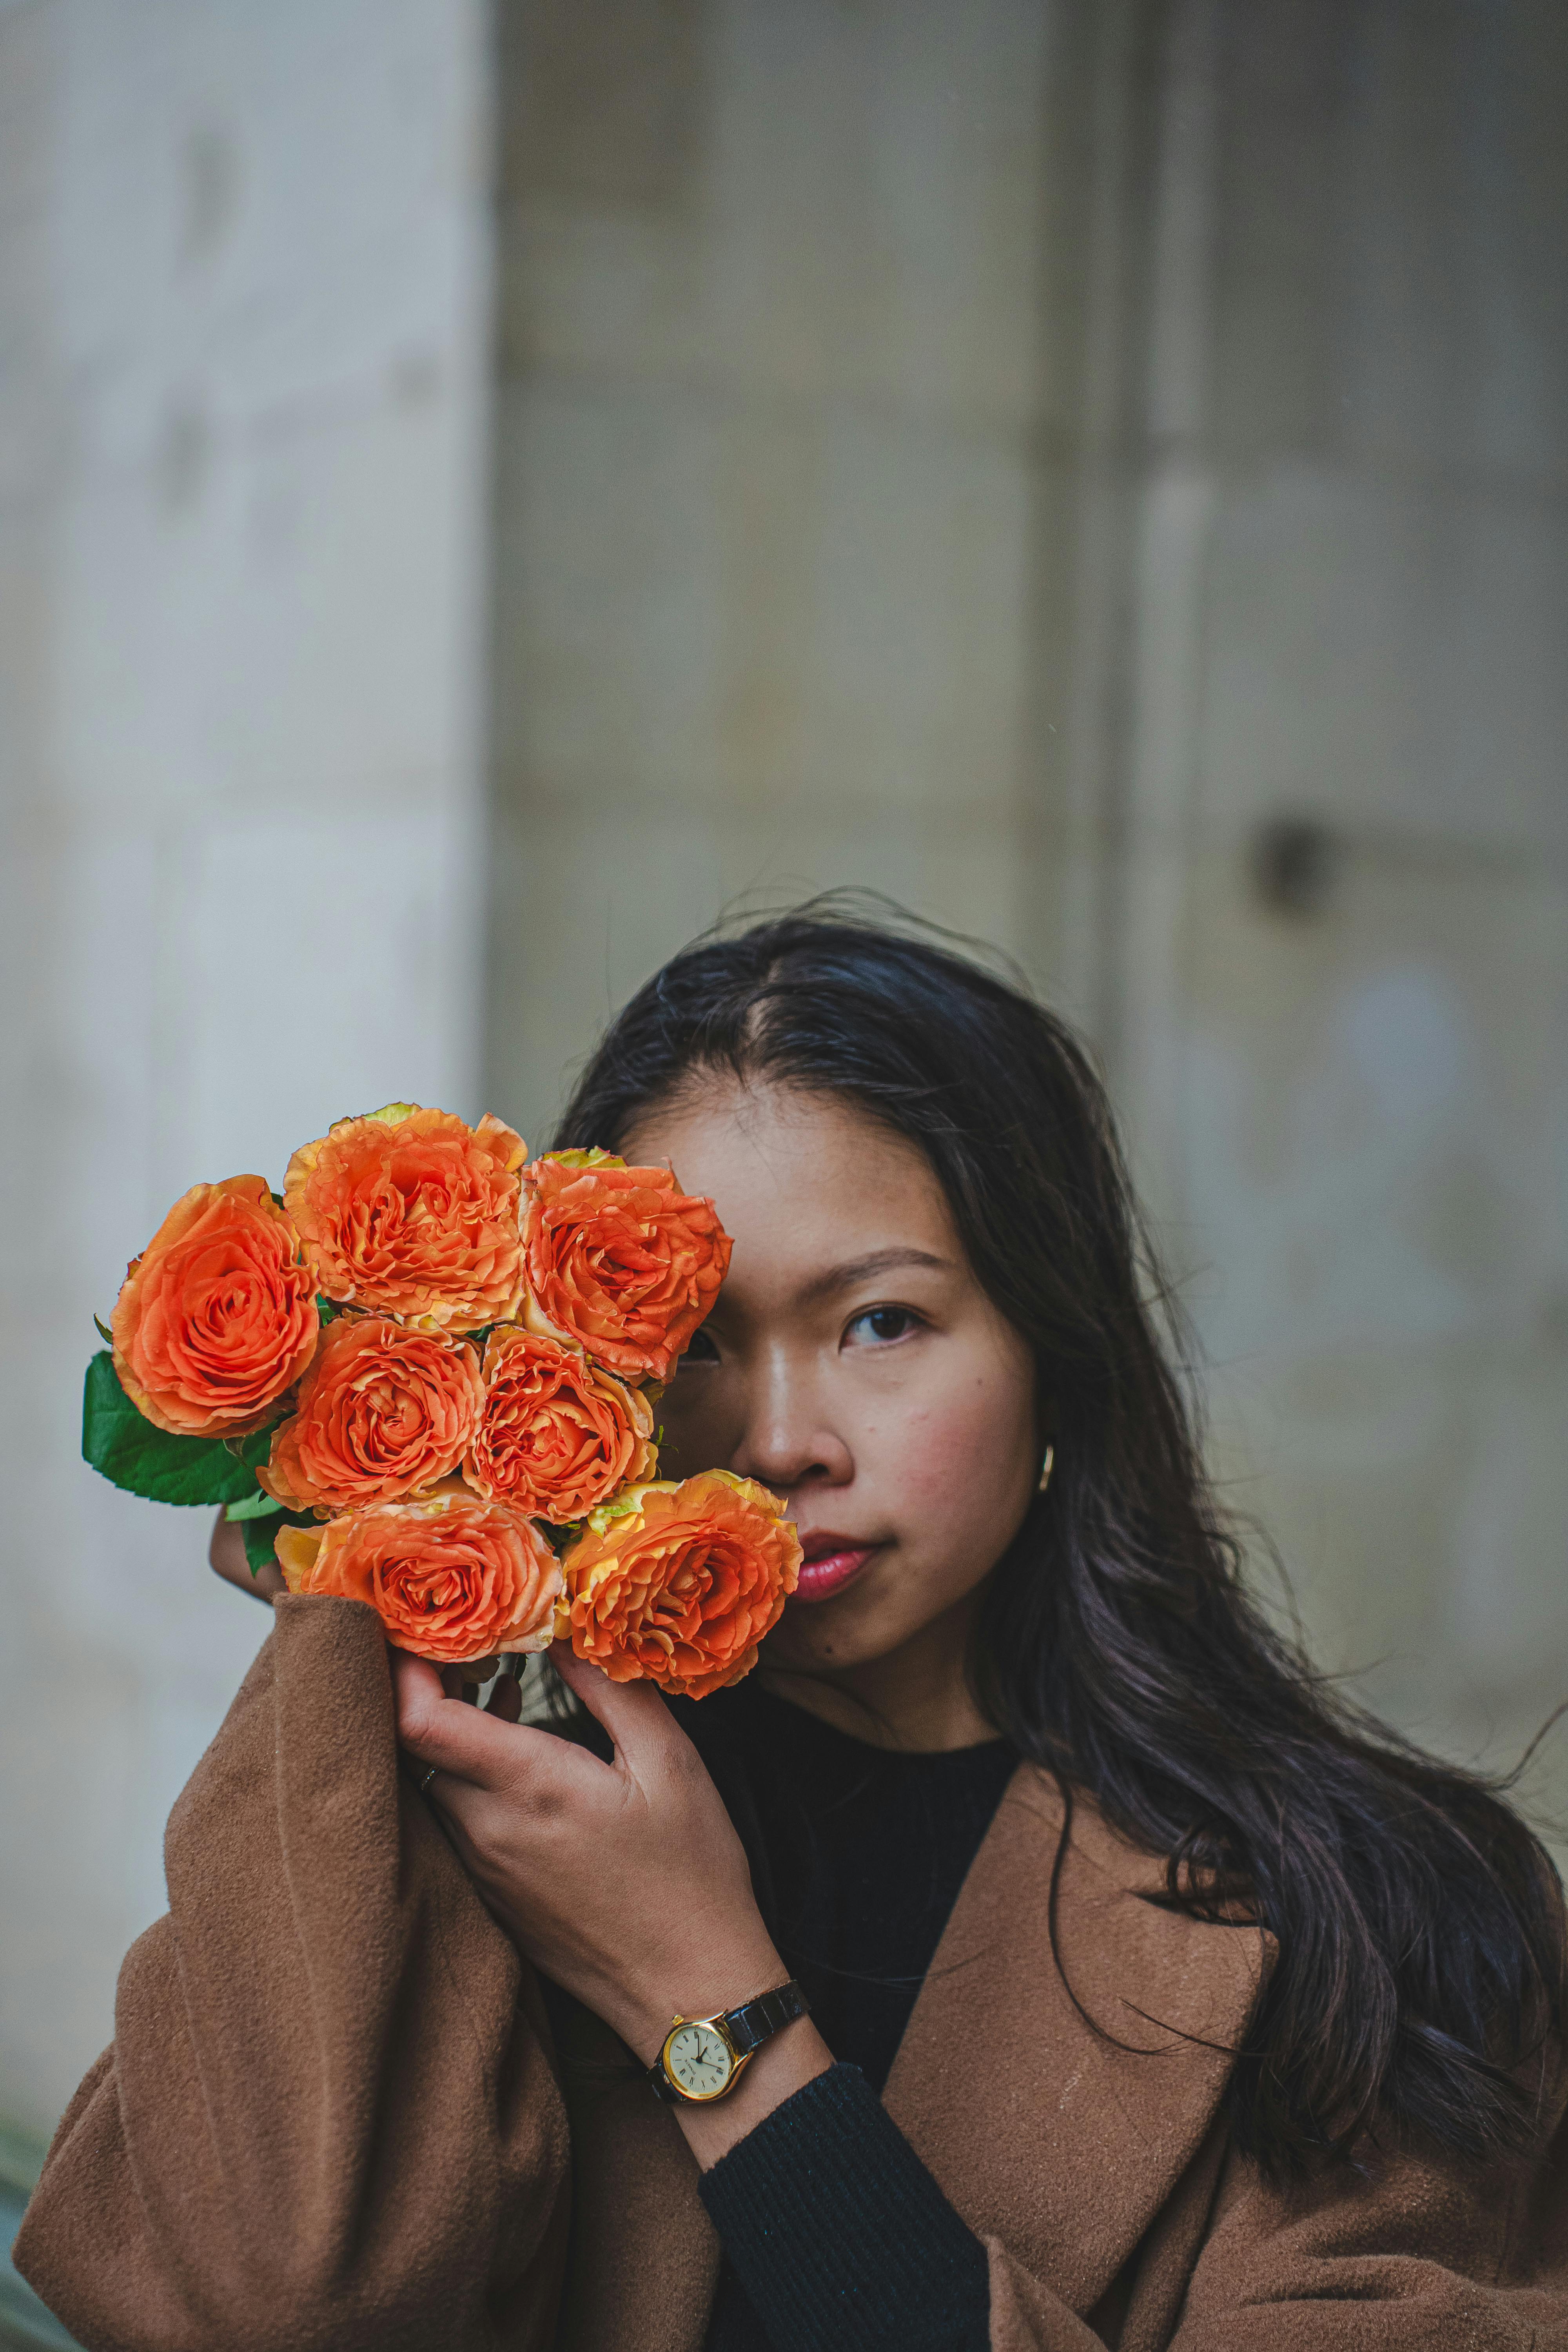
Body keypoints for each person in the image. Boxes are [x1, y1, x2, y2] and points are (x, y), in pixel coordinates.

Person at [16, 907, 1568, 2352]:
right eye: (687, 1340)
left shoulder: (1375, 1920)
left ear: (1055, 1354)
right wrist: (361, 1574)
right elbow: (256, 2304)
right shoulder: (477, 1816)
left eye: (881, 1322)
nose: (778, 1442)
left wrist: (713, 2010)